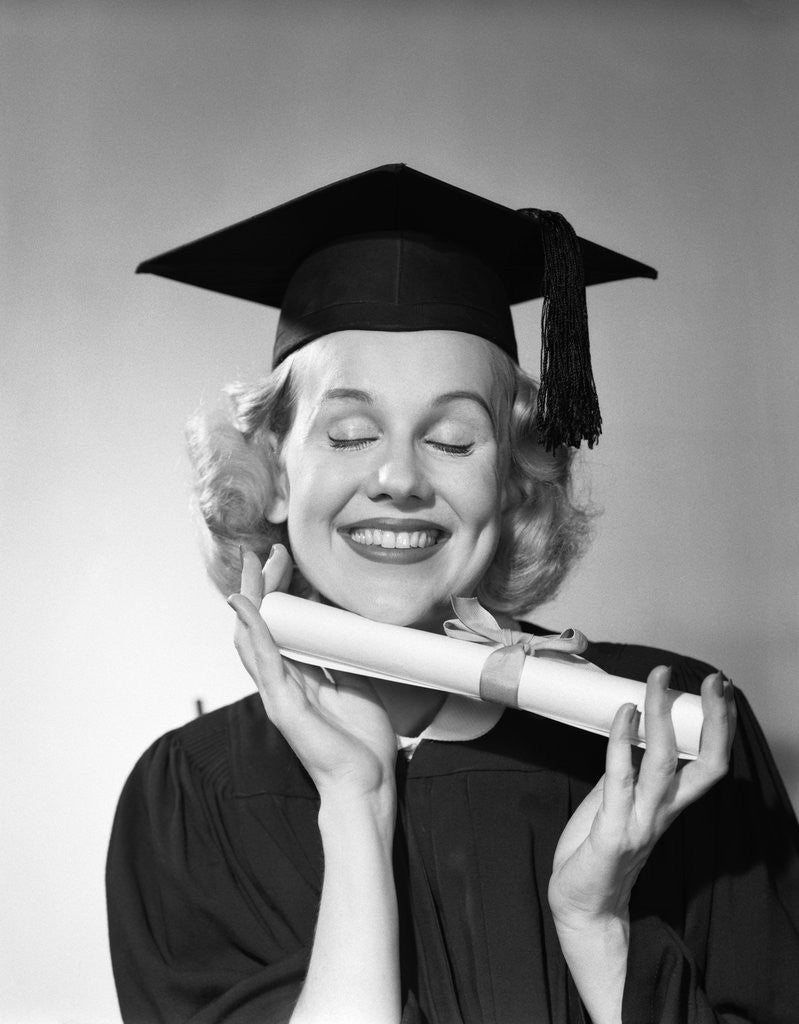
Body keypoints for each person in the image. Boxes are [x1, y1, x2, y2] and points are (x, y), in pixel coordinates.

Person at [107, 165, 799, 1024]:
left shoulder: (666, 745)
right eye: (350, 433)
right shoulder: (191, 797)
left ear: (512, 483)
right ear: (273, 471)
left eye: (452, 439)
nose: (398, 478)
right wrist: (355, 808)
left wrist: (598, 928)